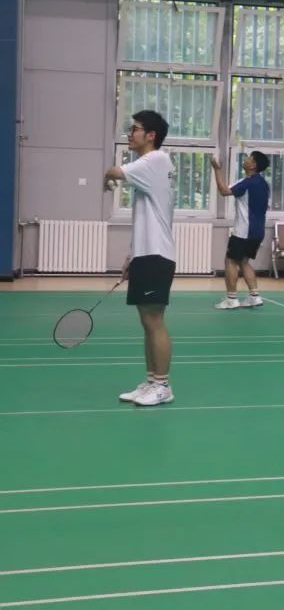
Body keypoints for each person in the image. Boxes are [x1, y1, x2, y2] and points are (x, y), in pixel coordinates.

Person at [104, 110, 177, 407]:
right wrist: (132, 257)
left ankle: (163, 386)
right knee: (147, 322)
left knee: (154, 321)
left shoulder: (156, 160)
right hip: (147, 254)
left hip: (157, 254)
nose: (129, 134)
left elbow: (114, 171)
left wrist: (105, 178)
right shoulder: (150, 168)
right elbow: (145, 218)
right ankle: (151, 381)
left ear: (151, 135)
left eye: (134, 129)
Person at [211, 151, 270, 309]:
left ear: (253, 165)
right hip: (258, 232)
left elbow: (224, 191)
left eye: (249, 158)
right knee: (244, 261)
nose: (246, 159)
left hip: (243, 231)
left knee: (230, 261)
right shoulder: (263, 183)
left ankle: (231, 299)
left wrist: (217, 169)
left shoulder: (247, 182)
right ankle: (254, 296)